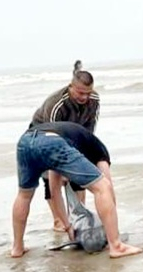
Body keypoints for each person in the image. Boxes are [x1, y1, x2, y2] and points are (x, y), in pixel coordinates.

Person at [10, 121, 143, 259]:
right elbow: (107, 188)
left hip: (25, 141)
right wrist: (112, 229)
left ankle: (17, 248)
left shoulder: (72, 142)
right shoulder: (99, 152)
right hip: (52, 141)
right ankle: (117, 247)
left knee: (24, 195)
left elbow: (54, 192)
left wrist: (68, 226)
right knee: (102, 186)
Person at [29, 69, 100, 231]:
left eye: (88, 93)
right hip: (42, 136)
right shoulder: (56, 104)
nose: (85, 98)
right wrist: (60, 170)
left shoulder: (94, 99)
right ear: (71, 87)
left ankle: (79, 216)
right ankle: (58, 220)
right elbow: (52, 137)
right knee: (51, 178)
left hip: (74, 134)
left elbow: (88, 132)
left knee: (79, 174)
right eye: (80, 93)